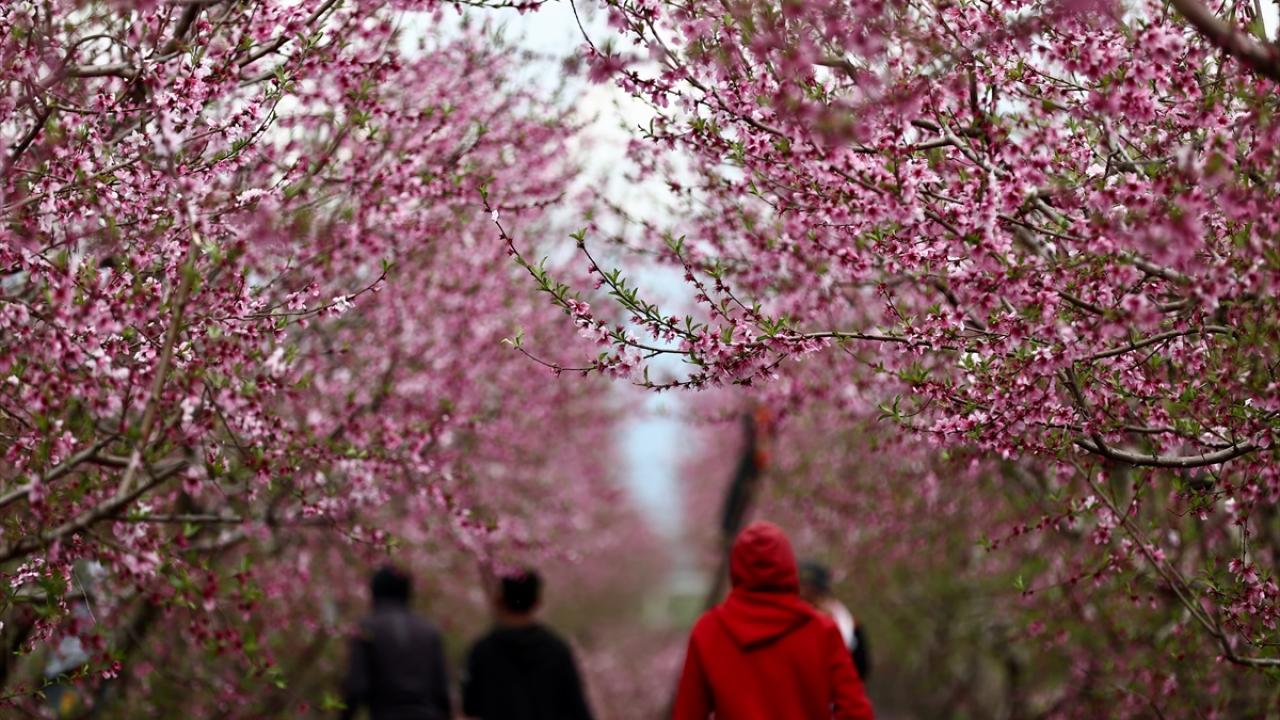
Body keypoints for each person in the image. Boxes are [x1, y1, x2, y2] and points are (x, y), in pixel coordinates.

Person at [673, 521, 875, 720]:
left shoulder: (709, 630)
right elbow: (855, 712)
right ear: (788, 565)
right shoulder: (821, 630)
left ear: (736, 567)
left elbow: (688, 713)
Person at [462, 568, 595, 720]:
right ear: (537, 603)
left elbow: (470, 706)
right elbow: (577, 707)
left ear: (500, 600)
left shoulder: (483, 651)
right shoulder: (557, 650)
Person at [341, 565, 451, 720]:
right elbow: (442, 691)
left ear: (375, 591)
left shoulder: (366, 628)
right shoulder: (429, 631)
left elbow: (356, 686)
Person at [800, 561, 871, 681]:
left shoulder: (850, 625)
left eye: (813, 593)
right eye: (803, 594)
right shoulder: (788, 627)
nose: (809, 602)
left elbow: (860, 670)